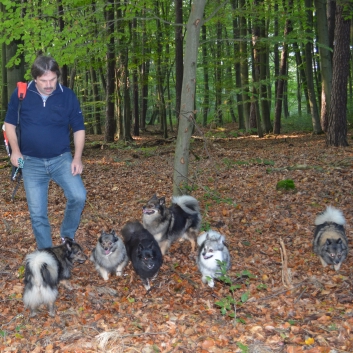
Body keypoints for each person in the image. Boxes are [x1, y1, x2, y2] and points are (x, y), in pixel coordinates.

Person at [4, 55, 86, 249]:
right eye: (44, 81)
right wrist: (15, 151)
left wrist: (77, 157)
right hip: (31, 162)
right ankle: (48, 253)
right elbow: (9, 124)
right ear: (35, 78)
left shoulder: (67, 95)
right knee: (38, 213)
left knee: (78, 195)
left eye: (53, 79)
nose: (49, 85)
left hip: (61, 159)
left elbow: (79, 128)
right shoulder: (21, 93)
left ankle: (67, 235)